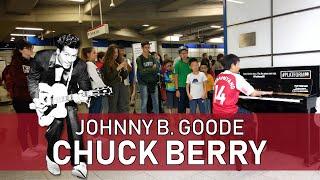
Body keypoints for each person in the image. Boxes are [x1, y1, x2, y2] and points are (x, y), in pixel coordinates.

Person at [28, 34, 90, 178]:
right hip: (46, 95)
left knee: (74, 125)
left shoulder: (80, 65)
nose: (70, 59)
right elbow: (32, 78)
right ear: (58, 51)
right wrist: (37, 99)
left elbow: (85, 86)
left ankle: (79, 163)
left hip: (68, 97)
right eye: (67, 54)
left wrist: (84, 95)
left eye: (74, 55)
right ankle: (51, 157)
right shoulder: (42, 58)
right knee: (56, 125)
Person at [6, 39, 43, 159]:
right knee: (23, 123)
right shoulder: (16, 63)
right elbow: (19, 80)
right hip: (21, 99)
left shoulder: (33, 62)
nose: (32, 50)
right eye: (29, 48)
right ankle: (25, 149)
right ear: (21, 50)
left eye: (32, 48)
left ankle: (36, 144)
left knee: (33, 122)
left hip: (34, 98)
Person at [103, 44, 130, 113]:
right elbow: (109, 77)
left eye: (117, 52)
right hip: (112, 88)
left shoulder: (117, 62)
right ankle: (112, 123)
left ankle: (119, 122)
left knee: (121, 106)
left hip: (120, 86)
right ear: (110, 53)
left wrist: (125, 69)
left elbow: (124, 76)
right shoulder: (106, 63)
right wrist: (118, 68)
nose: (116, 54)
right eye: (114, 52)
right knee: (113, 107)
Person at [136, 41, 159, 114]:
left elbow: (157, 69)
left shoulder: (152, 57)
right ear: (142, 48)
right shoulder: (139, 59)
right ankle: (144, 119)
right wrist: (152, 69)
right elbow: (142, 72)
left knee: (155, 100)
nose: (147, 49)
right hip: (143, 83)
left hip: (153, 82)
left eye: (148, 47)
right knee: (144, 102)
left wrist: (151, 69)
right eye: (146, 47)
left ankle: (157, 118)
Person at [82, 47, 105, 114]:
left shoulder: (90, 64)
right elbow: (96, 79)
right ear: (88, 54)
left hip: (96, 91)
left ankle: (93, 123)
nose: (96, 54)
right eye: (94, 53)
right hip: (96, 91)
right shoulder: (89, 64)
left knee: (94, 111)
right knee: (95, 111)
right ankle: (93, 124)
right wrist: (105, 88)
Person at [174, 46, 191, 113]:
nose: (184, 55)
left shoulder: (191, 63)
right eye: (182, 53)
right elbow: (176, 77)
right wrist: (177, 89)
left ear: (187, 53)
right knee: (181, 104)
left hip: (190, 86)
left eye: (185, 53)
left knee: (190, 103)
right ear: (179, 54)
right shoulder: (177, 64)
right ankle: (181, 119)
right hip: (181, 87)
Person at [117, 45, 131, 112]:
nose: (123, 52)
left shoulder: (125, 59)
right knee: (122, 102)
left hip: (126, 82)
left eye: (123, 50)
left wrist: (126, 65)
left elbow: (129, 69)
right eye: (121, 50)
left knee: (126, 100)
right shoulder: (116, 61)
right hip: (120, 84)